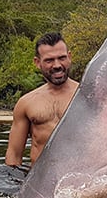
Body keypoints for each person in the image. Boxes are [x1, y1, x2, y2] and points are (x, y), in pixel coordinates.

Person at [5, 32, 79, 167]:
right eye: (49, 60)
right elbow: (14, 155)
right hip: (38, 181)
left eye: (62, 58)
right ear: (37, 62)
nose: (57, 65)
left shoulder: (88, 97)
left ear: (69, 57)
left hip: (80, 182)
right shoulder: (26, 103)